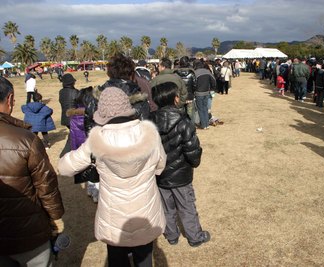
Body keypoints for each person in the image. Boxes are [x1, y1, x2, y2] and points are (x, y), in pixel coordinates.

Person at [58, 87, 166, 267]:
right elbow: (160, 165)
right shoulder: (149, 134)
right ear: (127, 106)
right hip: (146, 210)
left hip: (113, 216)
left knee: (116, 259)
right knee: (145, 257)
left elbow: (64, 168)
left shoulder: (97, 139)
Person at [0, 76, 65, 267]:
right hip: (28, 234)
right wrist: (55, 216)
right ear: (10, 99)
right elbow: (46, 186)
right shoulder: (26, 140)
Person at [151, 82, 210, 247]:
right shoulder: (184, 122)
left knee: (166, 207)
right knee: (186, 206)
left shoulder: (149, 121)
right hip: (181, 175)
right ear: (175, 98)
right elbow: (193, 150)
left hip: (160, 174)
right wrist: (194, 162)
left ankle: (171, 235)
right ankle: (195, 236)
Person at [59, 73, 79, 158]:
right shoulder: (76, 92)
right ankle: (64, 154)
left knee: (73, 134)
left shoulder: (61, 92)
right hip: (74, 118)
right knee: (73, 136)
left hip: (65, 117)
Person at [193, 60, 217, 129]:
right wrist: (212, 88)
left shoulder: (195, 73)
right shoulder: (207, 71)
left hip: (198, 93)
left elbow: (193, 84)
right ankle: (207, 124)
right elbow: (213, 81)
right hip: (207, 92)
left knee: (200, 109)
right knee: (205, 108)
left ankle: (203, 125)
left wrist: (194, 91)